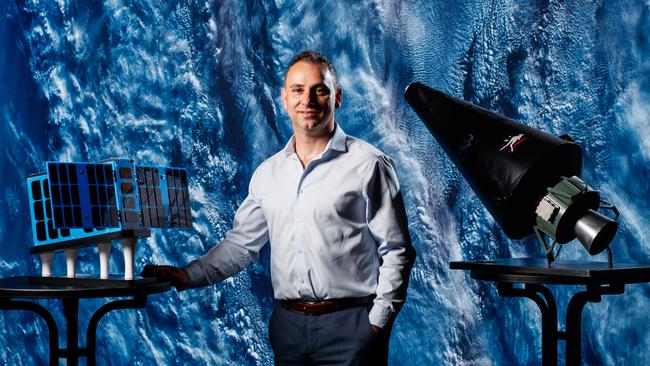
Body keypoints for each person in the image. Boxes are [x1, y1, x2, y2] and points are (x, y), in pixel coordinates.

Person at [142, 50, 416, 366]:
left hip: (352, 325)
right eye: (298, 90)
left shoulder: (368, 165)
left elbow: (397, 250)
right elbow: (241, 246)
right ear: (284, 99)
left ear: (337, 97)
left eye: (319, 90)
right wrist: (187, 275)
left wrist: (377, 323)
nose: (307, 100)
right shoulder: (268, 174)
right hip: (289, 328)